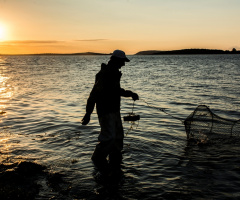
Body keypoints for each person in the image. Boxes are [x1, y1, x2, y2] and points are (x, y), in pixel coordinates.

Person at [81, 49, 139, 175]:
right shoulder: (104, 74)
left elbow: (116, 90)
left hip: (115, 111)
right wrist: (88, 113)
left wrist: (130, 94)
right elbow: (93, 95)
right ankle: (97, 161)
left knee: (118, 138)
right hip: (105, 112)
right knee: (109, 138)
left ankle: (115, 163)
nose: (123, 64)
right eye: (122, 61)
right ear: (116, 60)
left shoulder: (114, 73)